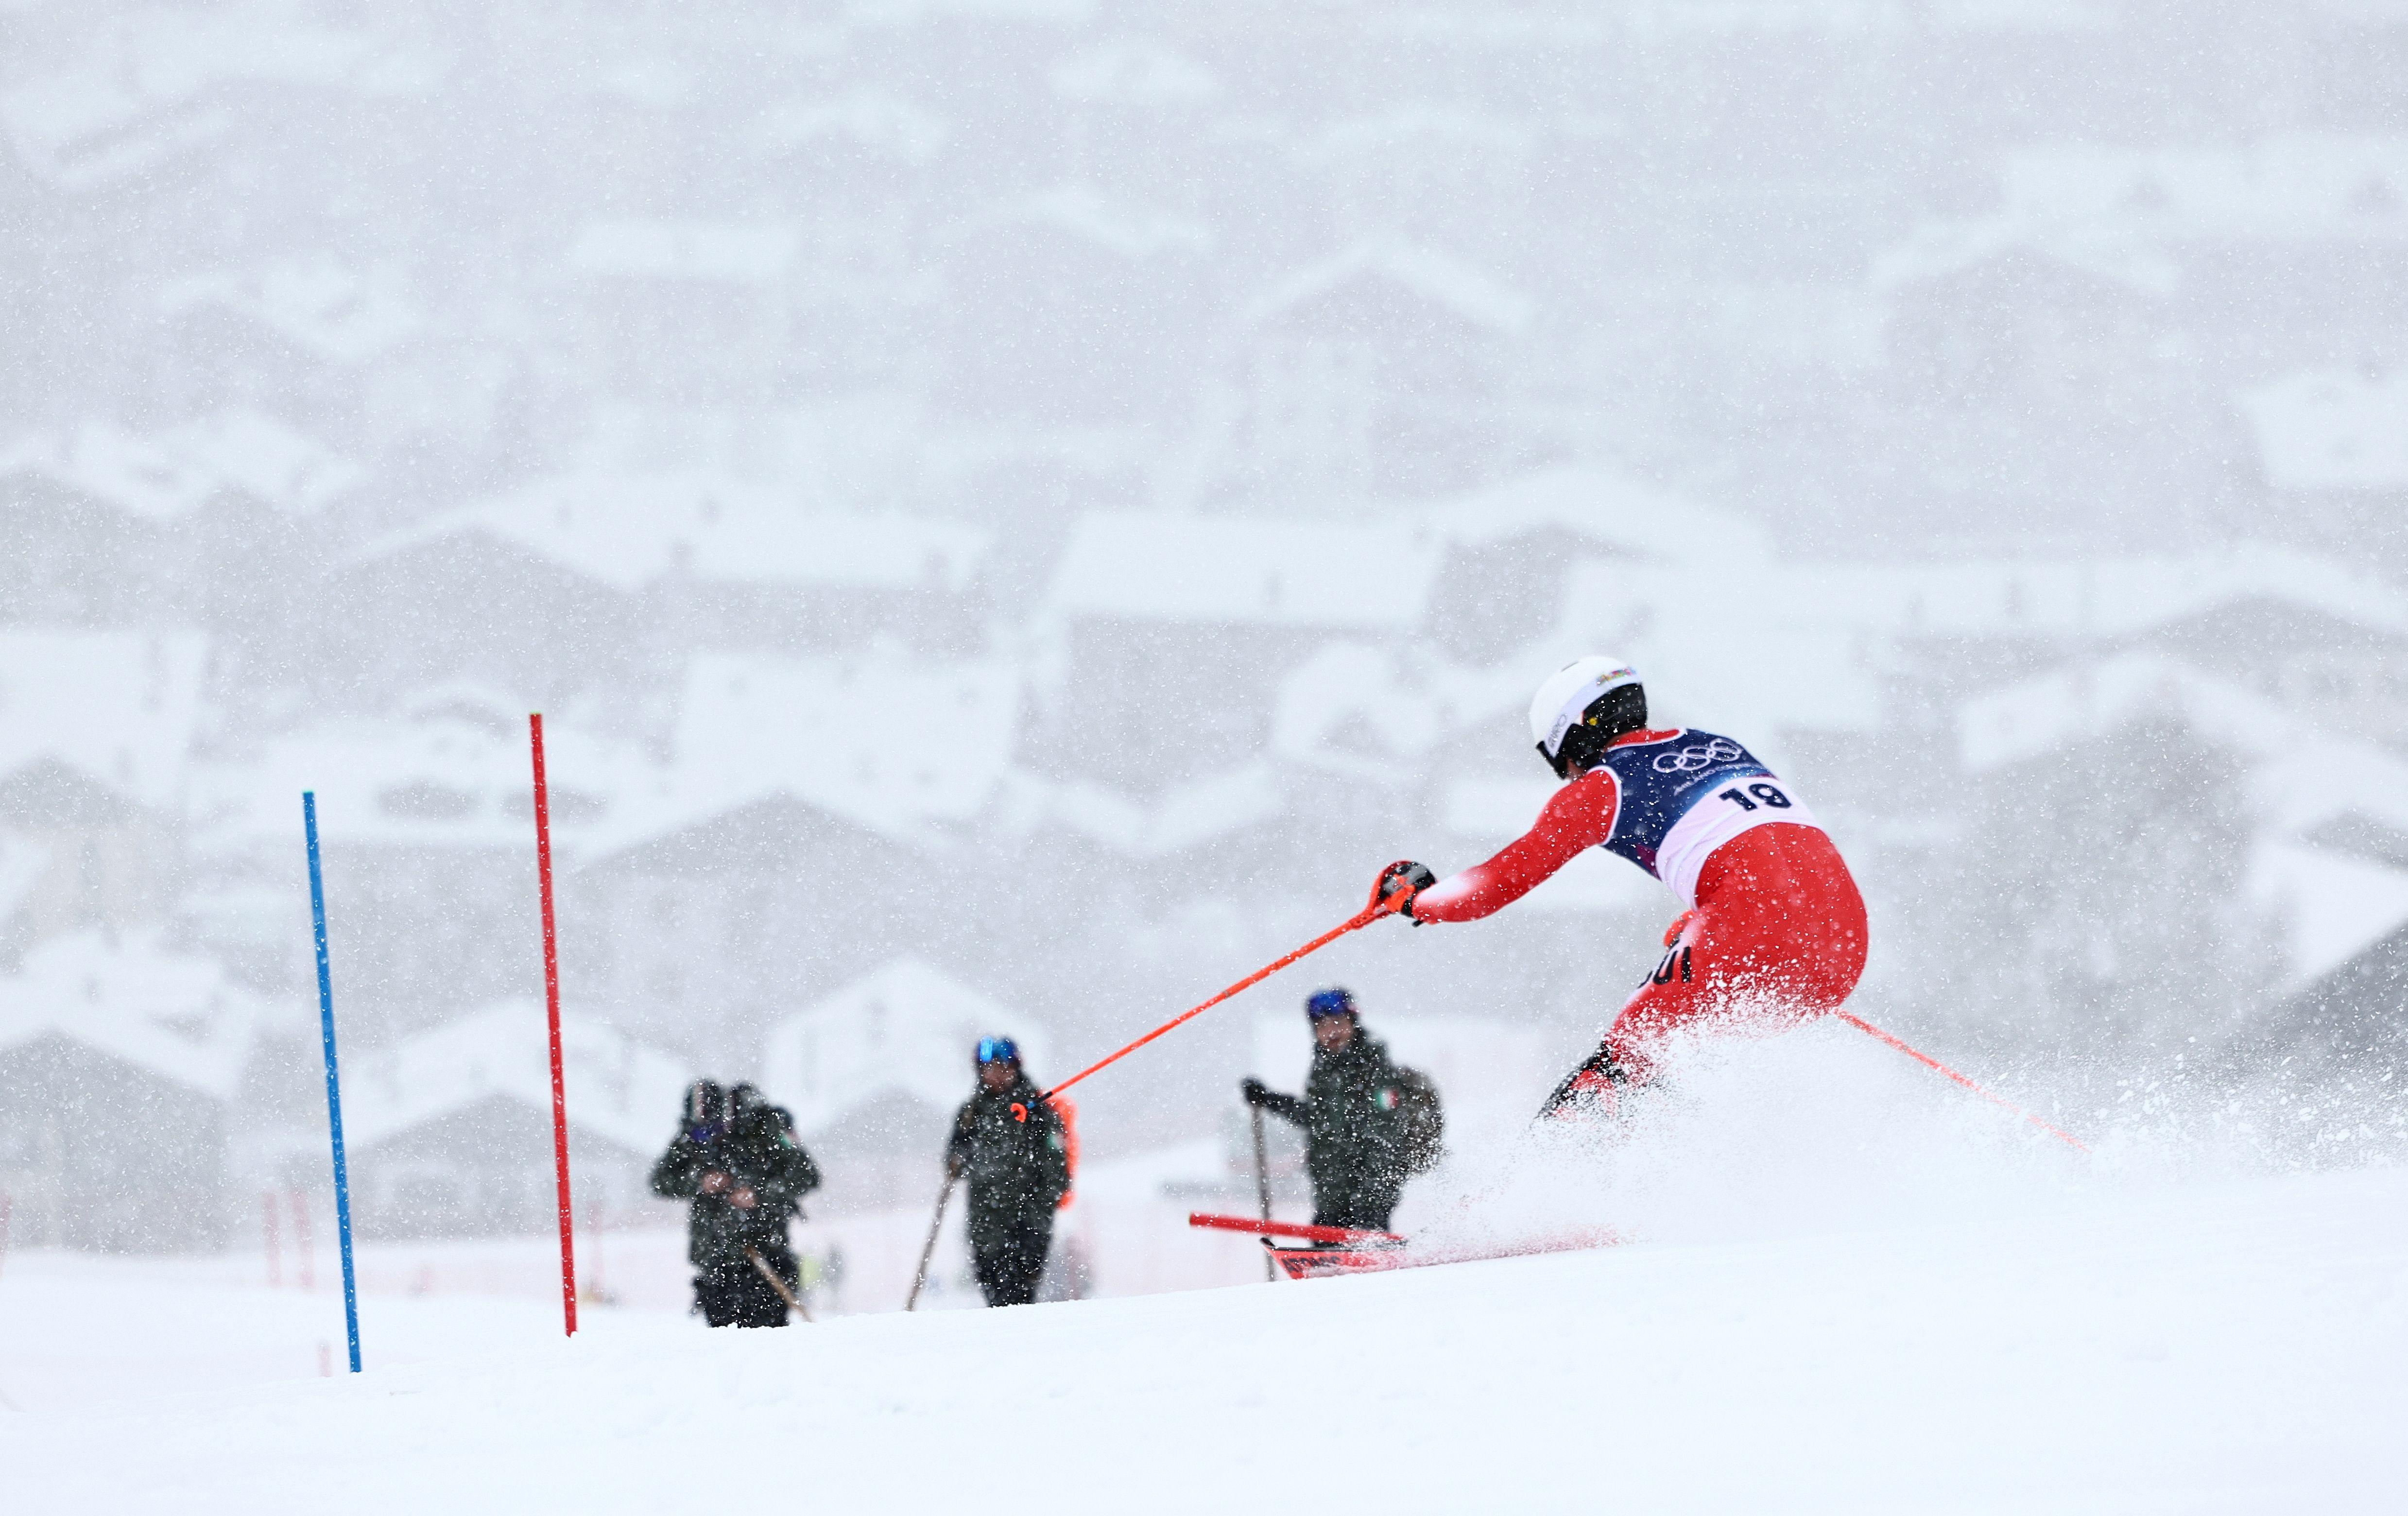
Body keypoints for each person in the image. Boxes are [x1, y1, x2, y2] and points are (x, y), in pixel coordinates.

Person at [1373, 655, 1868, 1113]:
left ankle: (1554, 1190)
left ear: (1574, 738)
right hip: (1844, 948)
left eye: (1560, 762)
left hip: (1748, 929)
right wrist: (1712, 915)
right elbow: (1771, 852)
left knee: (1623, 1060)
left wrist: (1417, 901)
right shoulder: (1719, 745)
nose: (1567, 777)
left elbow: (1496, 882)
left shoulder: (1604, 784)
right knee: (1691, 1061)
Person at [1240, 987, 1437, 1235]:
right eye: (1321, 1026)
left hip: (1368, 1200)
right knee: (1324, 1251)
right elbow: (1314, 1118)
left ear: (1353, 1023)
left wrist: (1371, 1207)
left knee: (1363, 1256)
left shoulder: (1376, 1069)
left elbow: (1386, 1135)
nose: (1330, 1031)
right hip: (1331, 1194)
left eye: (1337, 1022)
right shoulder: (1323, 1071)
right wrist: (1269, 1100)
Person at [649, 1078, 823, 1326]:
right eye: (700, 1133)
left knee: (768, 1339)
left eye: (714, 1130)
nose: (708, 1139)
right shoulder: (693, 1134)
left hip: (765, 1256)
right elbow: (660, 1181)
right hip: (716, 1258)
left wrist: (760, 1194)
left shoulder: (766, 1128)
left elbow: (807, 1176)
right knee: (724, 1346)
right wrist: (700, 1181)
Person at [944, 1037, 1069, 1308]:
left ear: (1016, 1069)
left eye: (1002, 1068)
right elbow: (953, 1163)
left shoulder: (1038, 1111)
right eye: (988, 1069)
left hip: (1029, 1224)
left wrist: (1039, 1209)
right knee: (994, 1299)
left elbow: (1057, 1167)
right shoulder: (971, 1113)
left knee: (1021, 1298)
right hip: (986, 1226)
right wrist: (958, 1161)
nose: (996, 1076)